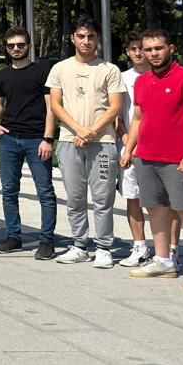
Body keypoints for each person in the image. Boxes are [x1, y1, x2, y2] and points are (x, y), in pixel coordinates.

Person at [124, 29, 183, 291]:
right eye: (148, 49)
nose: (153, 54)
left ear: (170, 48)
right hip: (146, 157)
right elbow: (138, 118)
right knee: (156, 209)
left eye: (158, 48)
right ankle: (163, 259)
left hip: (177, 160)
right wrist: (129, 149)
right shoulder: (142, 81)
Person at [47, 17, 126, 267]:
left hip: (102, 142)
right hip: (70, 140)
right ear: (72, 38)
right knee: (75, 197)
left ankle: (103, 247)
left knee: (103, 198)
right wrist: (80, 130)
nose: (86, 41)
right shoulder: (60, 68)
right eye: (81, 36)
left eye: (91, 36)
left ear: (97, 39)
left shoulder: (109, 69)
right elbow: (55, 105)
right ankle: (79, 244)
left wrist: (91, 131)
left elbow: (115, 107)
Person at [0, 25, 59, 258]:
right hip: (9, 139)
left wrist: (48, 138)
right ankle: (13, 237)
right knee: (9, 191)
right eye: (11, 46)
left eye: (21, 45)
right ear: (6, 48)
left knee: (45, 192)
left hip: (36, 139)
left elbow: (51, 108)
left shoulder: (41, 72)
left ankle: (47, 241)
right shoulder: (3, 74)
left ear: (29, 46)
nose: (16, 49)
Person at [116, 31, 160, 268]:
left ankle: (166, 250)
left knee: (159, 201)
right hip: (128, 147)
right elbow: (116, 114)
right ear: (128, 52)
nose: (138, 52)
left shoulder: (160, 76)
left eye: (141, 48)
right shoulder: (121, 78)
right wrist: (127, 143)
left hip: (157, 146)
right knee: (132, 197)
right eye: (133, 48)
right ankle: (139, 246)